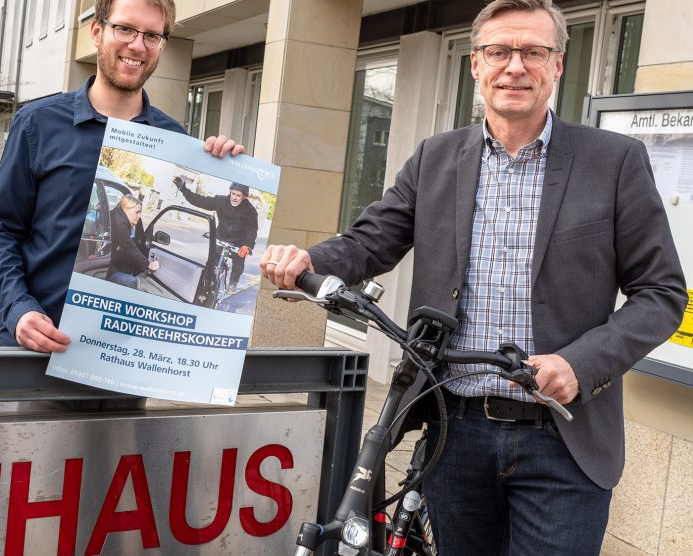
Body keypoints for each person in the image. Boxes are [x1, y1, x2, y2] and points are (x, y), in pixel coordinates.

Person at [259, 0, 687, 553]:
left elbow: (661, 294)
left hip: (562, 438)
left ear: (557, 64)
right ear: (475, 65)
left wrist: (579, 364)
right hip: (453, 431)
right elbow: (370, 242)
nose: (515, 66)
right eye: (499, 51)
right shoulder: (436, 158)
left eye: (534, 51)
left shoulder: (614, 160)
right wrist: (308, 265)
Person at [0, 0, 244, 353]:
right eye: (126, 29)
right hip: (29, 357)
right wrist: (17, 309)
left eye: (152, 35)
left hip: (119, 370)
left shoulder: (177, 142)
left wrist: (225, 166)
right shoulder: (37, 124)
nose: (138, 45)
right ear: (97, 31)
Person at [174, 179, 258, 294]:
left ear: (244, 197)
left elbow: (252, 230)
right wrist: (183, 189)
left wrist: (248, 245)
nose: (234, 197)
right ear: (230, 192)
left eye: (238, 195)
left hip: (239, 241)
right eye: (233, 194)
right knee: (211, 261)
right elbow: (200, 201)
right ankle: (207, 281)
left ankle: (233, 282)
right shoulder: (221, 201)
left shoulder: (250, 211)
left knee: (238, 262)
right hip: (220, 236)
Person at [106, 194, 159, 288]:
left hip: (106, 259)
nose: (139, 215)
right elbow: (130, 247)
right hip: (107, 267)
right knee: (132, 282)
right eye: (137, 212)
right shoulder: (121, 224)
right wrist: (149, 265)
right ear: (126, 208)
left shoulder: (115, 214)